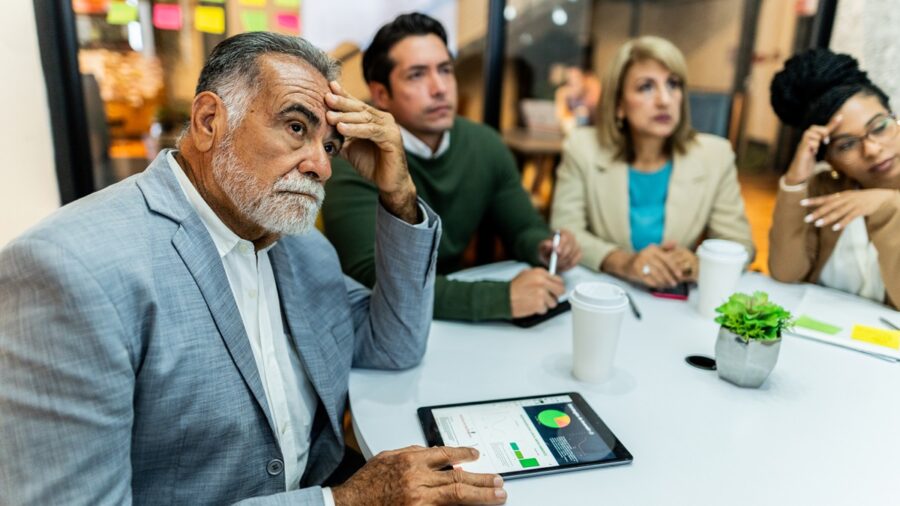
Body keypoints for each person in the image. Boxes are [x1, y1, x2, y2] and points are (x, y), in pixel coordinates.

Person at [0, 33, 509, 505]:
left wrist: (399, 195)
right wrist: (342, 501)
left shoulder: (303, 249)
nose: (322, 165)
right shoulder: (68, 271)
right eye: (295, 127)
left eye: (329, 144)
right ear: (208, 122)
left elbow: (393, 345)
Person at [322, 13, 581, 322]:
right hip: (376, 324)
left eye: (445, 70)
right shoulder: (355, 160)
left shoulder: (484, 144)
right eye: (417, 75)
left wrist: (545, 247)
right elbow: (372, 278)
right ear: (381, 94)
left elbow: (523, 227)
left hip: (454, 321)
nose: (440, 87)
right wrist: (498, 298)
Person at [550, 36, 754, 289]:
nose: (664, 100)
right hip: (603, 293)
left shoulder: (715, 155)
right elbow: (565, 232)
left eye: (673, 85)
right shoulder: (582, 148)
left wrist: (698, 264)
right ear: (619, 105)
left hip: (676, 302)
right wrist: (622, 261)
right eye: (646, 87)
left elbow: (741, 246)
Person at [768, 48, 900, 307]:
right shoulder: (826, 189)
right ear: (828, 157)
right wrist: (796, 181)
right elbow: (786, 272)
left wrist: (889, 206)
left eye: (880, 127)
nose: (872, 150)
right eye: (846, 145)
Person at [554, 65, 601, 133]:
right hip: (573, 128)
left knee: (582, 111)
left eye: (577, 78)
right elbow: (560, 116)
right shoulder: (563, 93)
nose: (575, 81)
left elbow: (598, 109)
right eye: (571, 80)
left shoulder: (592, 87)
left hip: (591, 126)